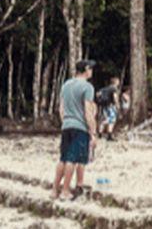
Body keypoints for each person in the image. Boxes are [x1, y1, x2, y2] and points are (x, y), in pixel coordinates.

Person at [51, 59, 98, 201]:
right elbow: (88, 111)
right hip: (80, 127)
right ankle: (65, 191)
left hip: (66, 125)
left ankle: (54, 190)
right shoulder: (87, 87)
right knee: (72, 159)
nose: (92, 72)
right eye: (91, 69)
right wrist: (93, 132)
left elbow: (61, 108)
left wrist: (65, 121)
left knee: (63, 158)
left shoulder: (66, 85)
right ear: (87, 69)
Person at [95, 77, 123, 141]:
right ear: (116, 82)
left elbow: (97, 94)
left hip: (104, 106)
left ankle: (100, 133)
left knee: (103, 119)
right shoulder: (114, 89)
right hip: (111, 106)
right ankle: (109, 135)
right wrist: (117, 106)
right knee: (111, 120)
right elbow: (115, 98)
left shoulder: (104, 89)